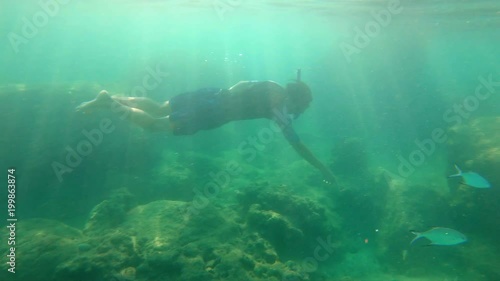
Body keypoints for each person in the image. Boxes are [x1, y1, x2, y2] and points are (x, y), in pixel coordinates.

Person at [76, 70, 336, 184]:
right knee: (156, 126)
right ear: (296, 99)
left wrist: (228, 96)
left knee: (158, 107)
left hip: (211, 94)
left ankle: (106, 99)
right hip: (211, 113)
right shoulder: (278, 111)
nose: (296, 113)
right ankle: (109, 103)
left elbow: (243, 84)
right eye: (299, 108)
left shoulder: (274, 86)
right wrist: (323, 168)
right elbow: (298, 145)